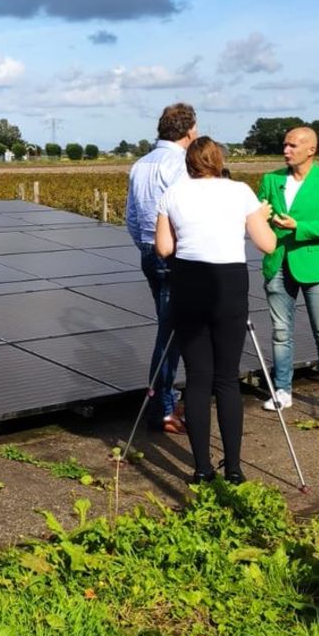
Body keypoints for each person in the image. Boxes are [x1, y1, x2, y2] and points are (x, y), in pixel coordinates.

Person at [155, 137, 277, 484]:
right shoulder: (240, 191)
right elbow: (266, 244)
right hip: (229, 286)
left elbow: (164, 248)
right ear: (218, 160)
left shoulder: (173, 194)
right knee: (226, 378)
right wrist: (256, 219)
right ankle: (235, 469)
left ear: (189, 164)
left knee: (197, 379)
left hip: (189, 284)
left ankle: (202, 468)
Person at [258, 126, 319, 416]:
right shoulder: (271, 179)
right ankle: (283, 390)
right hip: (278, 262)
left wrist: (298, 227)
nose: (286, 150)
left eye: (292, 146)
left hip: (316, 266)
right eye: (284, 145)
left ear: (310, 149)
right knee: (280, 332)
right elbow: (259, 216)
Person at [124, 102, 198, 432]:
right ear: (190, 130)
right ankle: (163, 409)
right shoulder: (179, 164)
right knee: (172, 335)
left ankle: (167, 401)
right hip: (175, 257)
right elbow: (186, 216)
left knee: (169, 330)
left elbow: (129, 216)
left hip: (149, 256)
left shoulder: (140, 164)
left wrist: (146, 246)